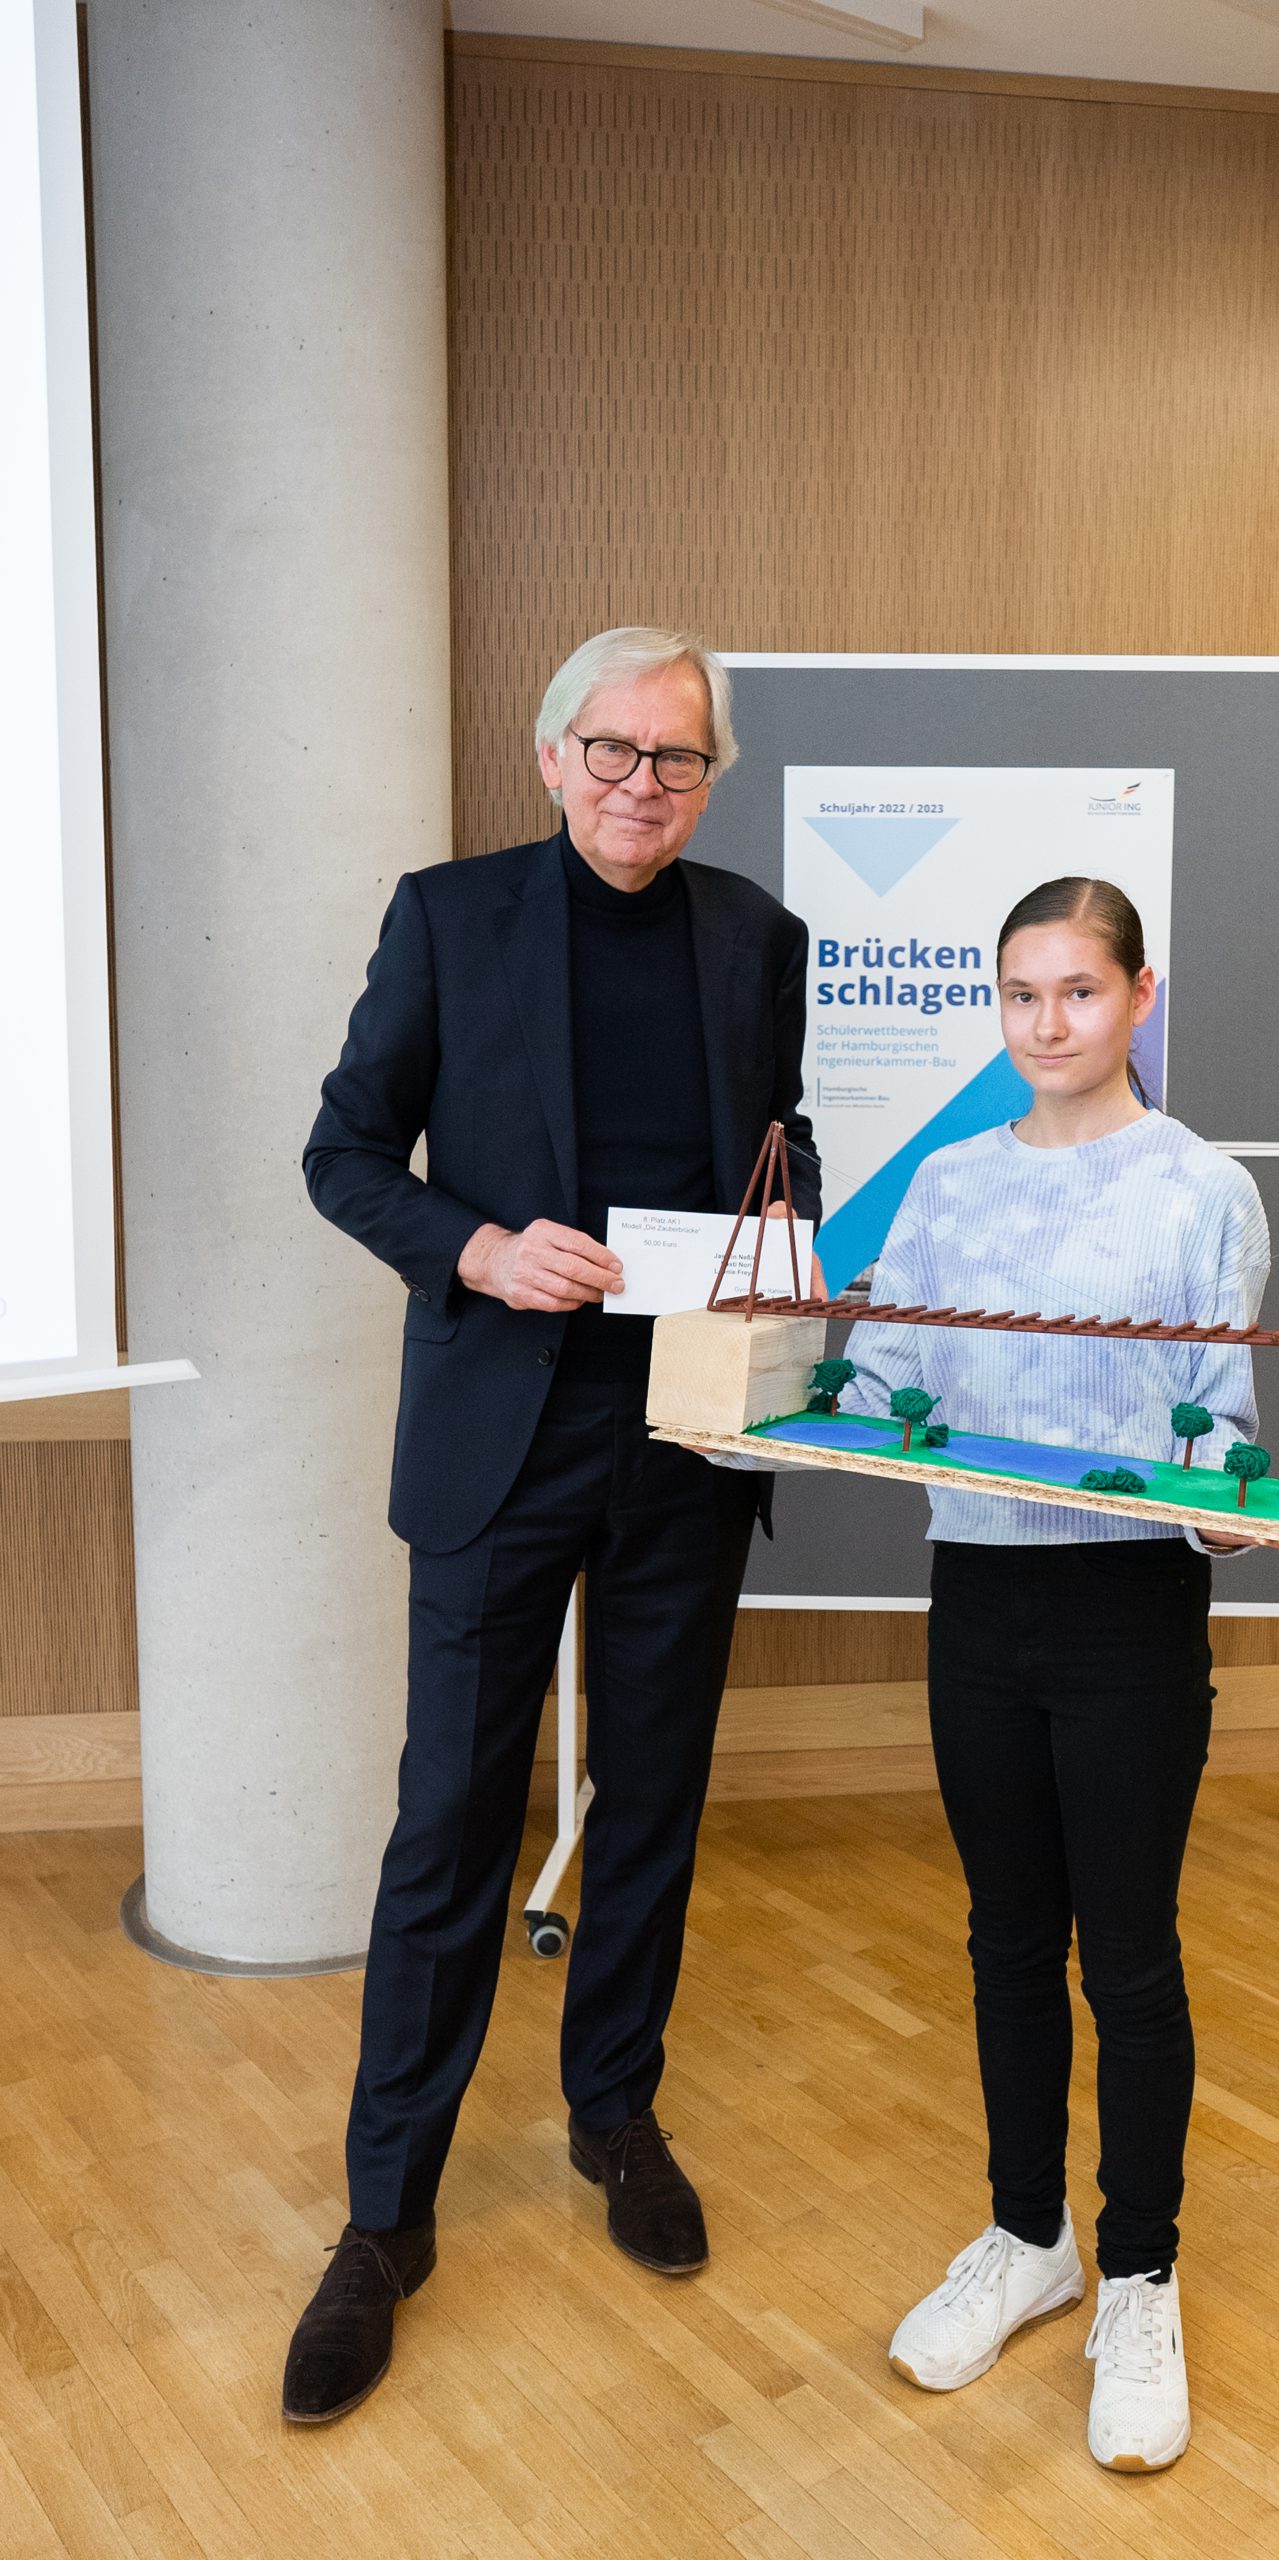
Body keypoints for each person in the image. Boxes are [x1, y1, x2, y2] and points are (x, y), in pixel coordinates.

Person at [283, 626, 819, 2425]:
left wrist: (784, 1237)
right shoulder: (448, 920)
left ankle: (613, 2117)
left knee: (651, 1801)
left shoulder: (756, 940)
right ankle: (385, 2220)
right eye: (612, 750)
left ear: (709, 778)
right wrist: (479, 1248)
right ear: (550, 755)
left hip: (684, 1436)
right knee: (450, 1822)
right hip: (497, 1443)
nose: (640, 784)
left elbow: (781, 1148)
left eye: (676, 758)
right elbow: (343, 1153)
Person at [843, 876, 1275, 2474]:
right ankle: (1029, 2240)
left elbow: (1217, 1419)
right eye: (1020, 994)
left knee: (1128, 1956)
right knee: (1006, 1938)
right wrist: (779, 1407)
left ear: (1137, 996)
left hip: (1125, 1620)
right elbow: (882, 1377)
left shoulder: (1198, 1189)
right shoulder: (945, 1183)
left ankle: (1140, 2277)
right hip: (978, 1603)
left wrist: (1227, 1513)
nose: (1047, 1023)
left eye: (1077, 992)